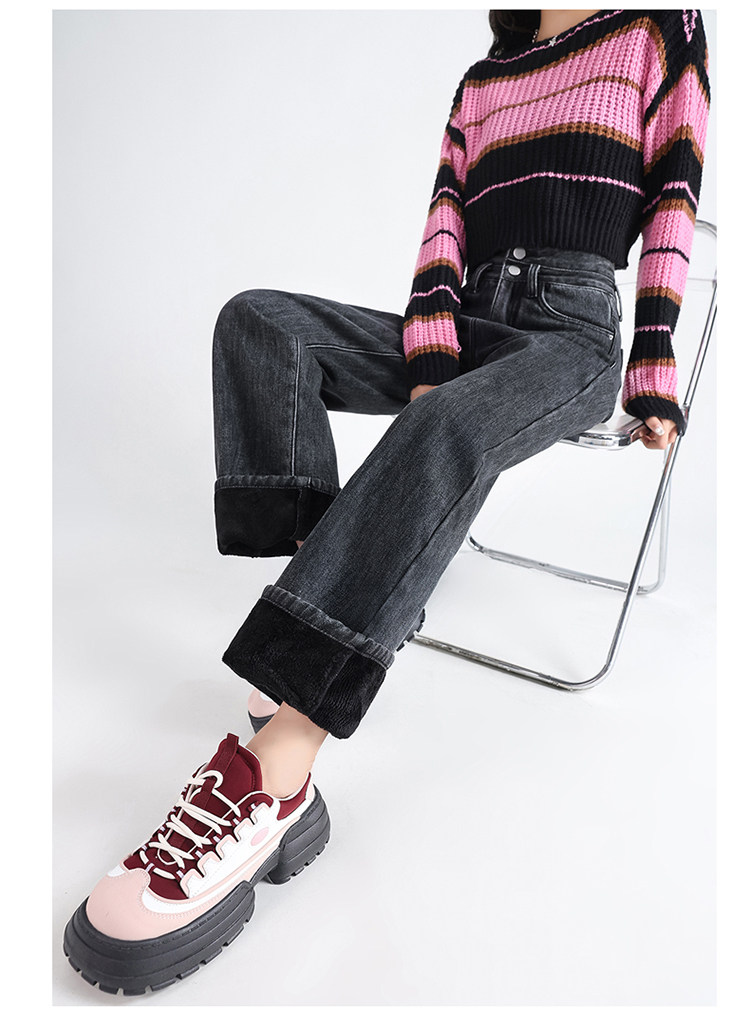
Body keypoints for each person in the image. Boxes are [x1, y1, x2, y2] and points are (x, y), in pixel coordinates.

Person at [63, 9, 711, 994]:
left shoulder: (658, 33)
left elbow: (673, 203)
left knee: (441, 429)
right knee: (262, 325)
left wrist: (654, 371)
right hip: (471, 322)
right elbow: (443, 229)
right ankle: (331, 602)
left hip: (570, 338)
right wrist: (432, 353)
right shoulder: (484, 80)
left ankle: (282, 767)